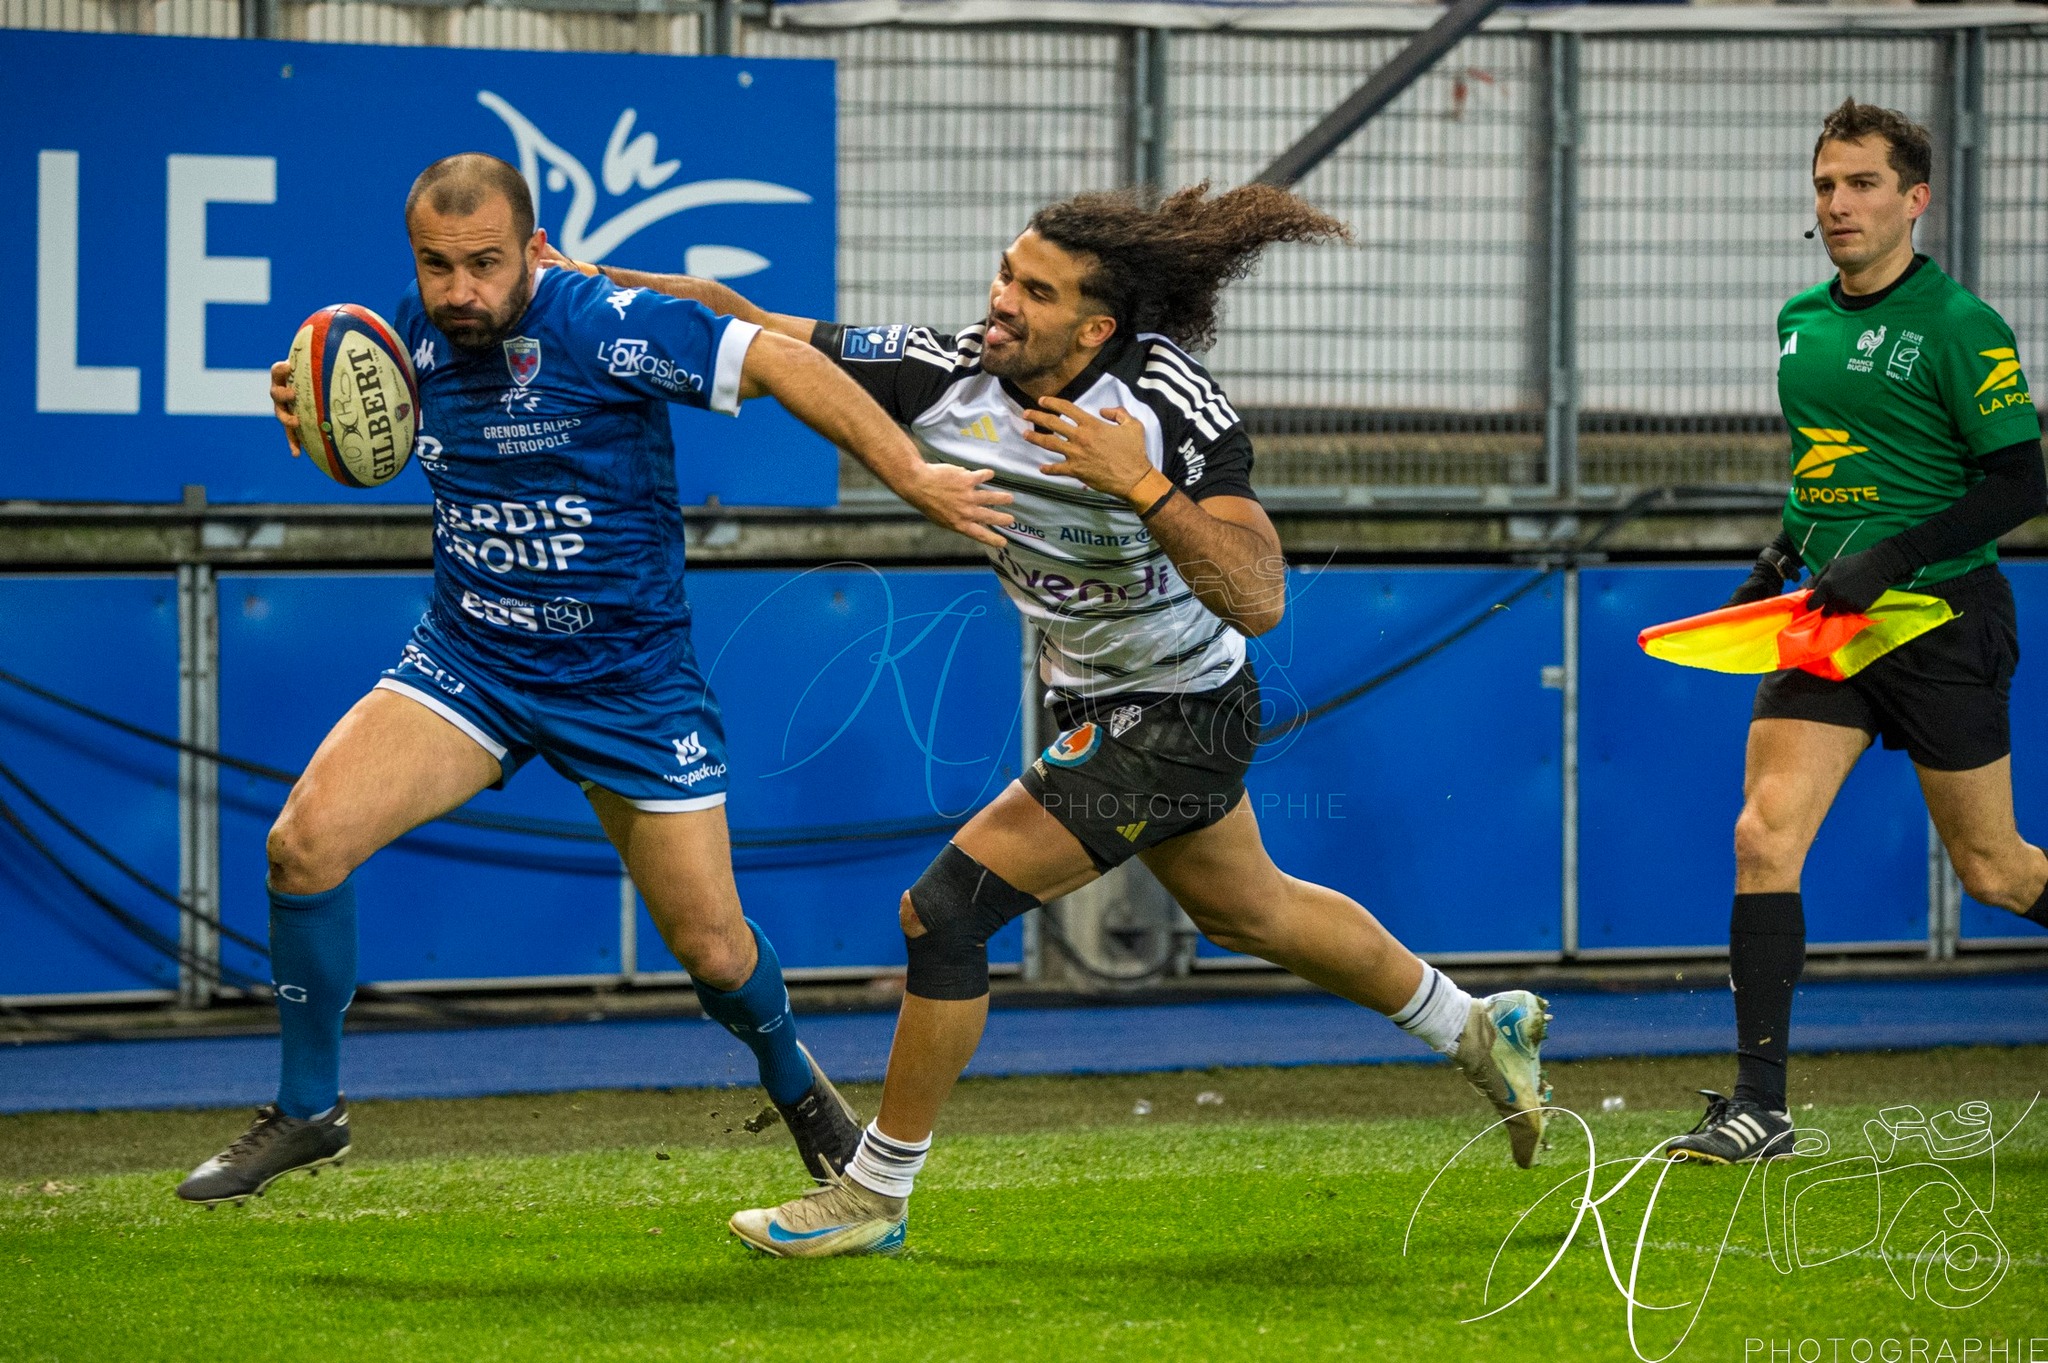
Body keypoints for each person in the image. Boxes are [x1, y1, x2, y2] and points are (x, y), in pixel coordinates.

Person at [560, 182, 1556, 1258]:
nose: (1000, 301)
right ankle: (1470, 1023)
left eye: (1031, 292)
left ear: (1093, 328)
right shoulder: (946, 374)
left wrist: (1138, 486)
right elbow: (741, 321)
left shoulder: (1164, 406)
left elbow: (1260, 593)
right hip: (1102, 698)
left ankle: (872, 1191)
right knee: (1251, 913)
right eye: (1002, 272)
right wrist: (576, 285)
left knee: (944, 909)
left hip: (1182, 709)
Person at [173, 154, 1012, 1206]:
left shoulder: (604, 323)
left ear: (533, 249)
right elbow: (348, 417)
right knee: (301, 844)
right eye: (437, 266)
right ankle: (309, 1111)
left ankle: (795, 1083)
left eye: (484, 263)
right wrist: (313, 412)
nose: (459, 290)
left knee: (711, 950)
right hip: (470, 660)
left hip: (629, 685)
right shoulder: (407, 334)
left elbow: (782, 363)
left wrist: (914, 476)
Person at [1665, 101, 2046, 1165]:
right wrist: (1771, 567)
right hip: (1826, 624)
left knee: (1997, 873)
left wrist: (1887, 559)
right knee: (1760, 836)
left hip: (1939, 620)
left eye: (1861, 184)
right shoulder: (1797, 321)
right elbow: (1823, 475)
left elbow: (2020, 480)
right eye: (1825, 184)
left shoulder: (1959, 324)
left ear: (1912, 198)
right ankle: (1759, 1106)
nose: (1837, 203)